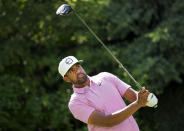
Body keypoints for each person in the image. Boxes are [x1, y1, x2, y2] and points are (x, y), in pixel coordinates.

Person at [58, 56, 150, 131]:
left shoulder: (105, 77)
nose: (78, 71)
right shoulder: (75, 103)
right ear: (66, 79)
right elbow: (108, 121)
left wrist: (145, 97)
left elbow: (135, 97)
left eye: (78, 66)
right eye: (72, 71)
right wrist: (138, 103)